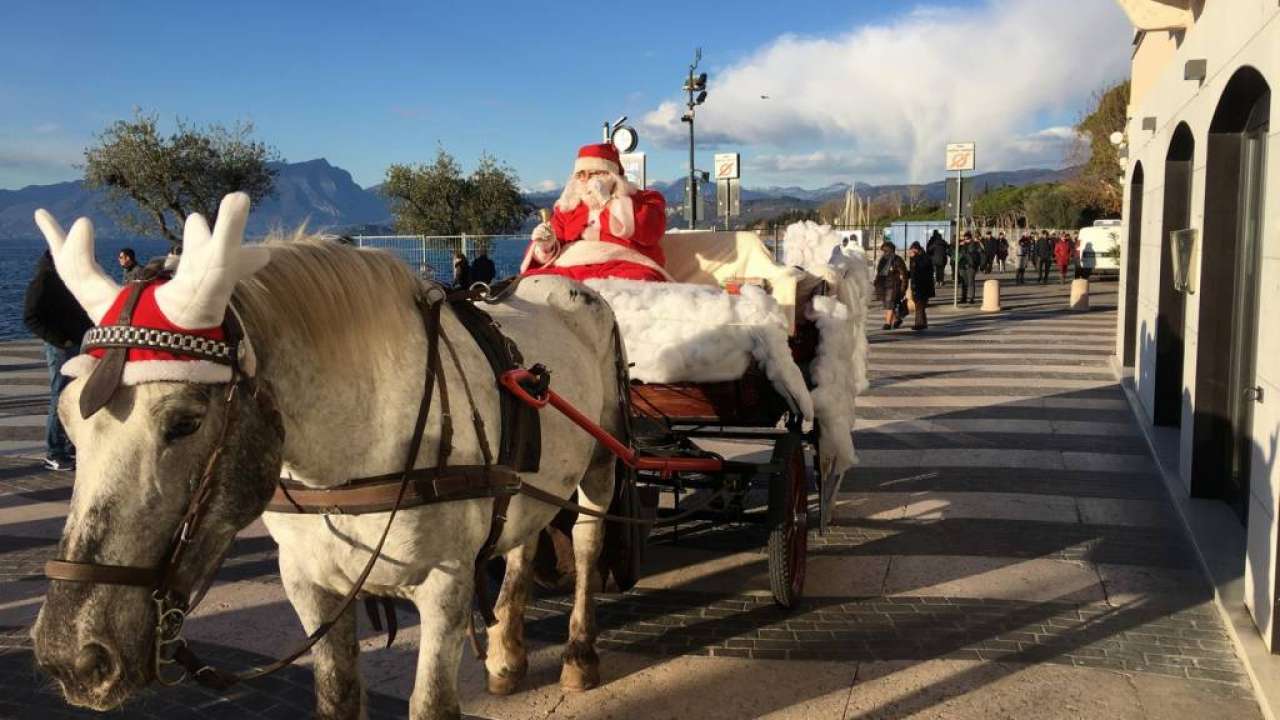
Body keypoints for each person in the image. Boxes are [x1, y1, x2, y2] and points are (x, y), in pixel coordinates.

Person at [521, 143, 670, 282]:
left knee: (638, 282)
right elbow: (555, 241)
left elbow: (650, 231)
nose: (585, 180)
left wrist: (609, 202)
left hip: (626, 265)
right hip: (572, 267)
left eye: (593, 174)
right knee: (533, 281)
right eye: (580, 175)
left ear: (612, 176)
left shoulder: (646, 199)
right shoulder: (568, 206)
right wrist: (545, 246)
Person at [23, 250, 92, 471]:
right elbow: (30, 317)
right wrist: (61, 340)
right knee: (60, 396)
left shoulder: (67, 278)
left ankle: (70, 445)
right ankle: (54, 452)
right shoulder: (44, 279)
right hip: (62, 347)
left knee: (74, 395)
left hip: (79, 343)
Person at [874, 241, 909, 330]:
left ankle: (887, 323)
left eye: (884, 251)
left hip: (893, 285)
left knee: (889, 304)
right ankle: (896, 319)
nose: (883, 253)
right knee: (887, 304)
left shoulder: (897, 259)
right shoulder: (883, 259)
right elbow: (879, 273)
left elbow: (904, 274)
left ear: (889, 250)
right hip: (883, 285)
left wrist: (903, 288)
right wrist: (876, 282)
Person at [907, 241, 934, 331]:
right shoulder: (916, 258)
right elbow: (913, 272)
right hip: (917, 285)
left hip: (923, 285)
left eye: (912, 250)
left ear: (916, 250)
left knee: (919, 306)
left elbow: (922, 269)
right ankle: (922, 323)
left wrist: (914, 258)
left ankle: (919, 324)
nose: (911, 252)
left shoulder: (924, 258)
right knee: (920, 306)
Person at [957, 232, 979, 304]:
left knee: (971, 282)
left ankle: (971, 298)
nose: (966, 240)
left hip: (971, 266)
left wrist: (964, 246)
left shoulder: (974, 244)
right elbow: (958, 253)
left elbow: (969, 253)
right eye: (965, 238)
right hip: (962, 266)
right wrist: (959, 245)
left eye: (967, 239)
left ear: (970, 238)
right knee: (964, 283)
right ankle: (964, 298)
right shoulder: (962, 245)